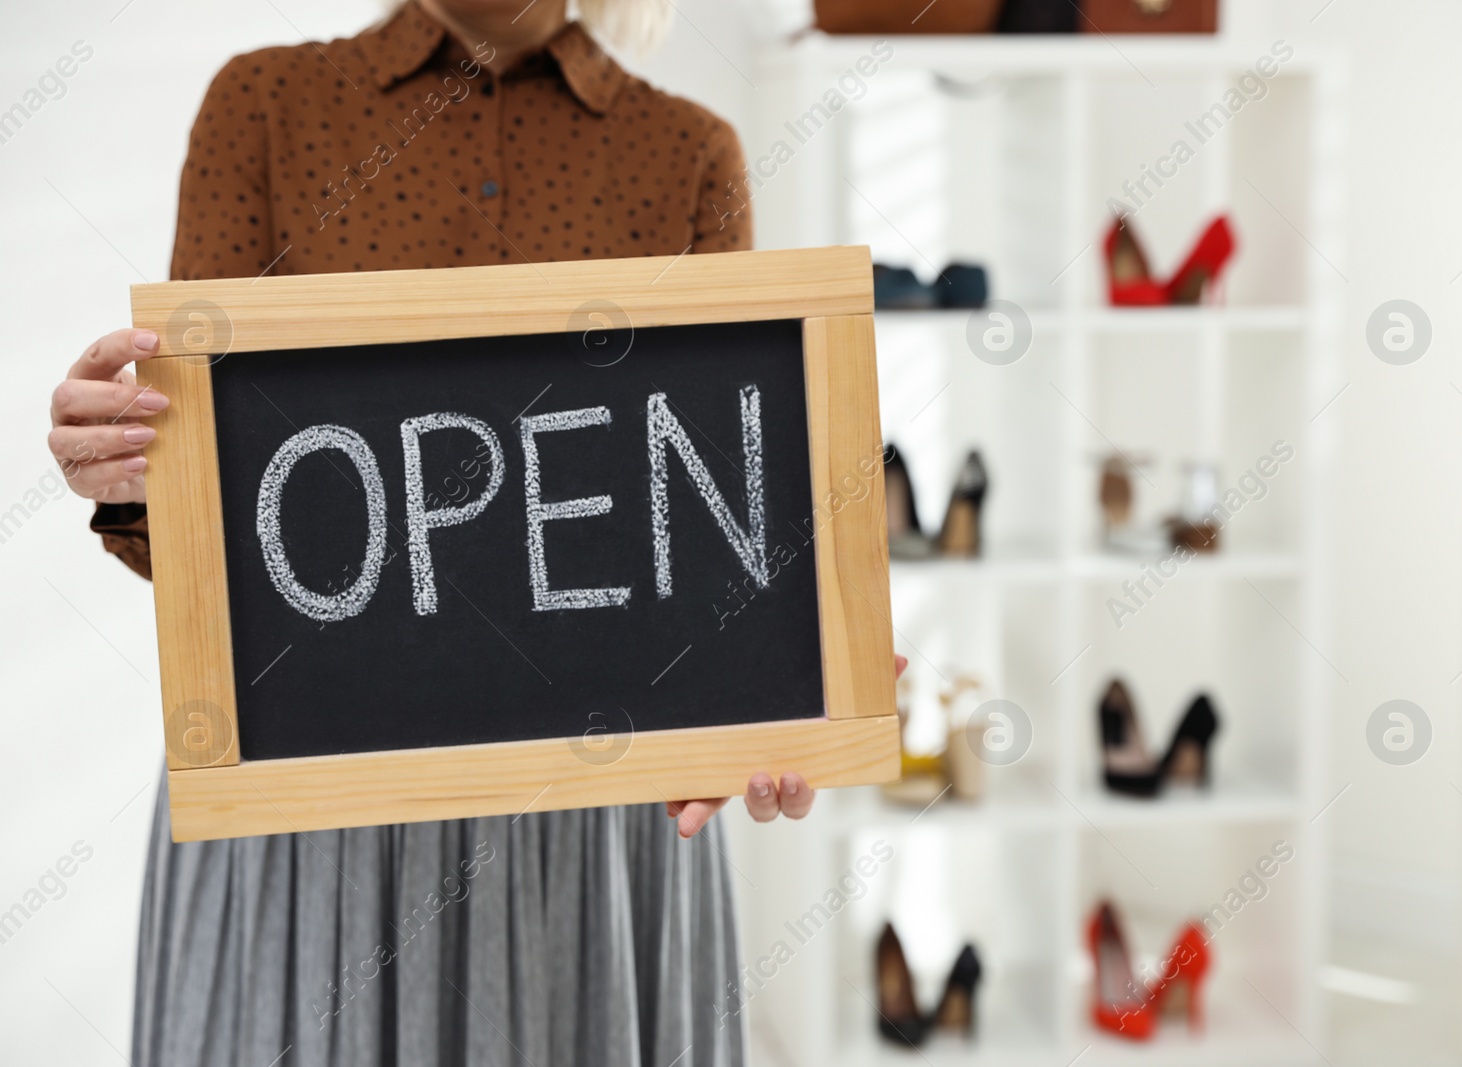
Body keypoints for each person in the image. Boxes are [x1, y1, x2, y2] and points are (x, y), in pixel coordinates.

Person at [46, 2, 905, 1062]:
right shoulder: (264, 106)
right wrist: (126, 470)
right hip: (310, 798)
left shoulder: (689, 154)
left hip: (592, 823)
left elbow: (705, 547)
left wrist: (781, 690)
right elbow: (207, 528)